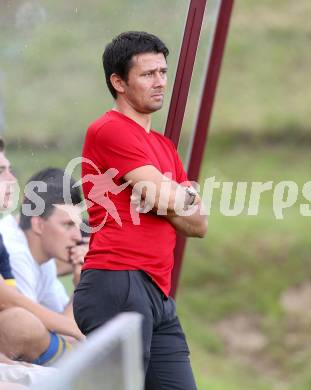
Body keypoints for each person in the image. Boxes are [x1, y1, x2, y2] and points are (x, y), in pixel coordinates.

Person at [73, 31, 208, 389]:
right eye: (148, 74)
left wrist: (177, 196)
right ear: (118, 81)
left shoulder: (163, 146)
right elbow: (167, 198)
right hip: (118, 280)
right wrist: (177, 194)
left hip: (158, 293)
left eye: (163, 72)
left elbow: (198, 225)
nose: (160, 82)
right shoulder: (109, 130)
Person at [0, 141, 83, 368]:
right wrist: (82, 285)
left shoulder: (41, 251)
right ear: (38, 224)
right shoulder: (15, 252)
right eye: (68, 225)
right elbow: (33, 335)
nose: (78, 236)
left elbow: (62, 328)